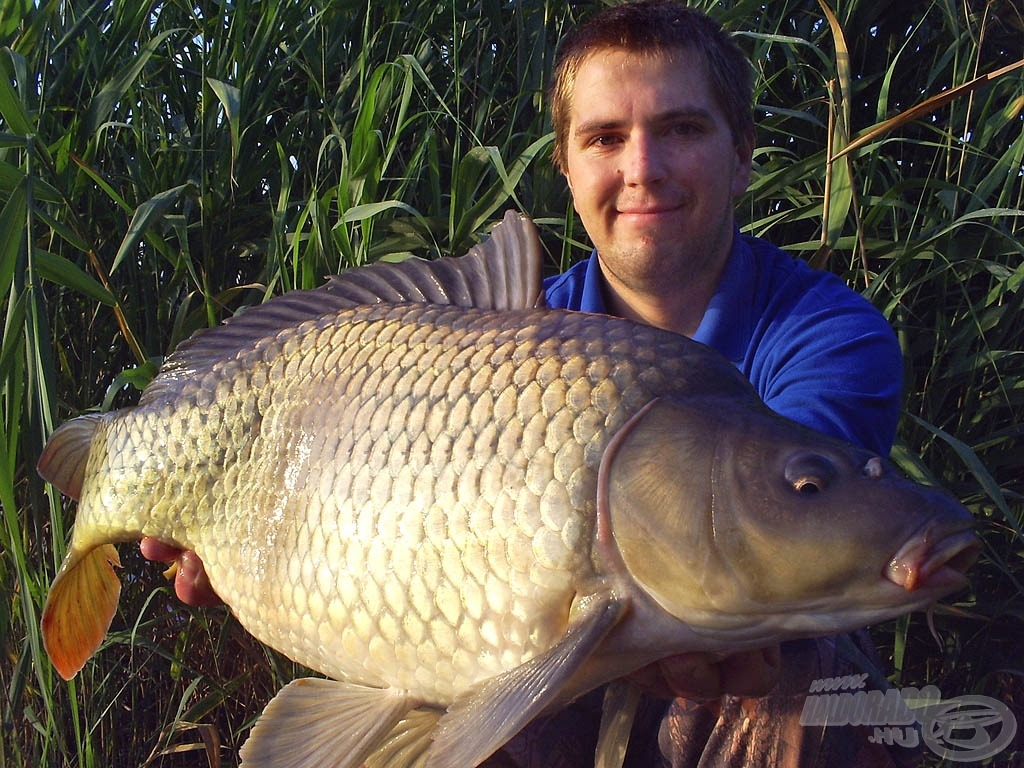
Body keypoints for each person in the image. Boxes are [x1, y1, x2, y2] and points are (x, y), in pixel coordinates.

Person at [143, 2, 911, 765]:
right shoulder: (507, 339)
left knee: (800, 668)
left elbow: (777, 529)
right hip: (532, 656)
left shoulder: (829, 335)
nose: (641, 168)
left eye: (681, 129)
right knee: (482, 674)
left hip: (709, 683)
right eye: (606, 138)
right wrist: (256, 552)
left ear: (742, 153)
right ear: (567, 168)